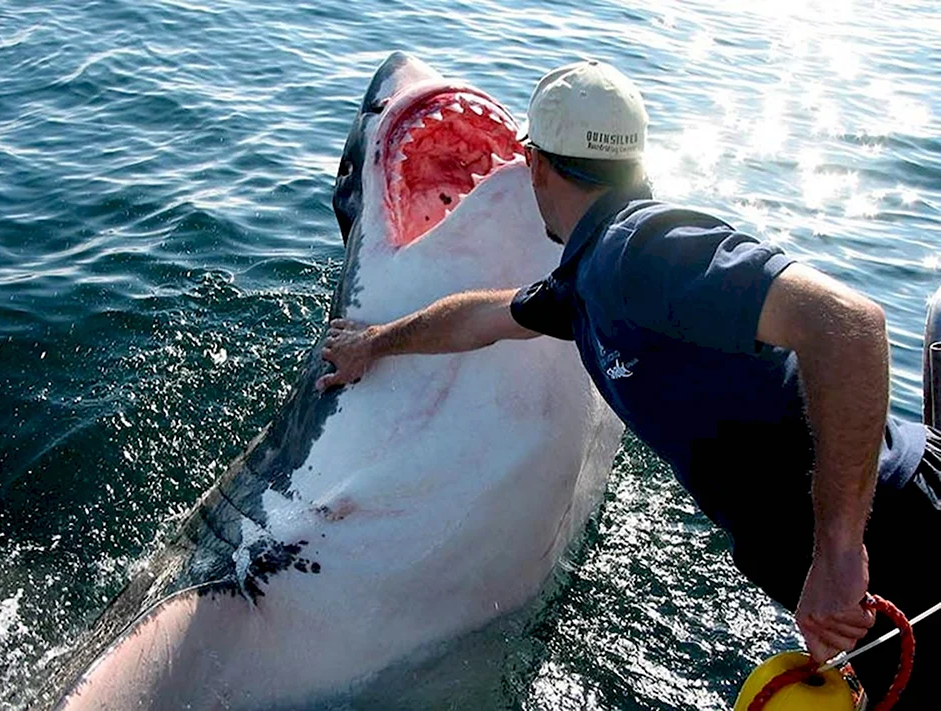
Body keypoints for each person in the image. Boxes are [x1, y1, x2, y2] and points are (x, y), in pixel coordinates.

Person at [316, 59, 937, 706]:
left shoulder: (637, 249)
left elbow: (851, 325)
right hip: (849, 550)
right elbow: (484, 317)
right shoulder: (589, 280)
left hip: (900, 532)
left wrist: (837, 551)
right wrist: (376, 342)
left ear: (535, 165)